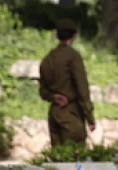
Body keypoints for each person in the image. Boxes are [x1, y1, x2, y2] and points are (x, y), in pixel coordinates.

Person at [38, 18, 95, 146]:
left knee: (58, 160)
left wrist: (53, 96)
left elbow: (43, 91)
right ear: (75, 35)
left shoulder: (47, 60)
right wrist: (90, 117)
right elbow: (82, 89)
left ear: (57, 35)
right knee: (75, 157)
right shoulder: (73, 56)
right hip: (71, 113)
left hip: (54, 113)